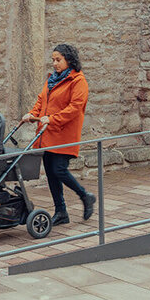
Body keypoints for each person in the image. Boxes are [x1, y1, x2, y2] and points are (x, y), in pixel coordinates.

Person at [21, 43, 96, 225]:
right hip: (47, 134)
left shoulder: (78, 81)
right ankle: (61, 212)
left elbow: (75, 108)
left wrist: (52, 119)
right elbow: (41, 101)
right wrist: (32, 114)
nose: (54, 63)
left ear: (68, 60)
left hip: (64, 134)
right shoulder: (52, 80)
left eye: (58, 60)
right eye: (53, 60)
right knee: (51, 174)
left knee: (59, 169)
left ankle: (85, 195)